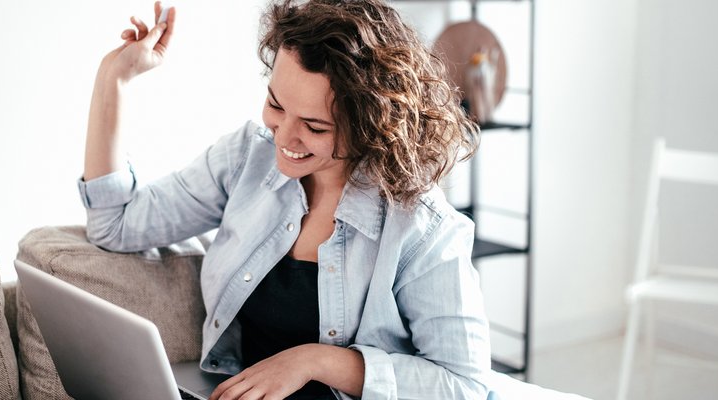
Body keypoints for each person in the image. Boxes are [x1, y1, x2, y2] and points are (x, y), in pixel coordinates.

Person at [78, 0, 490, 398]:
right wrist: (112, 80)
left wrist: (315, 361)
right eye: (276, 104)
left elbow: (463, 385)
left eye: (314, 126)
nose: (283, 137)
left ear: (372, 125)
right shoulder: (247, 159)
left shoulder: (422, 225)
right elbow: (115, 224)